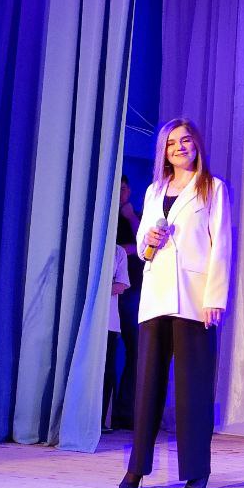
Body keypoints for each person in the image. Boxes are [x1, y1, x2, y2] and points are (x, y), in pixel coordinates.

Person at [119, 118, 232, 488]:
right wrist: (149, 239)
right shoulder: (154, 191)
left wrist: (214, 298)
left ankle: (196, 471)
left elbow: (221, 245)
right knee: (147, 387)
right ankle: (137, 467)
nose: (179, 147)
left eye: (185, 141)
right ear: (164, 153)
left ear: (196, 144)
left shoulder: (212, 188)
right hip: (156, 298)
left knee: (192, 390)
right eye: (171, 144)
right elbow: (144, 250)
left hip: (194, 299)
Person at [113, 175, 143, 429]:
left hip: (135, 290)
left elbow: (145, 247)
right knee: (109, 350)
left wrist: (131, 216)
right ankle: (105, 412)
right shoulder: (106, 216)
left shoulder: (137, 216)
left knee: (137, 350)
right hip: (114, 291)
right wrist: (126, 249)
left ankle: (126, 413)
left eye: (124, 188)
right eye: (118, 189)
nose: (122, 193)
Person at [101, 214, 132, 431]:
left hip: (109, 322)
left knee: (107, 370)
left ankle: (101, 419)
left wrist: (100, 289)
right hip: (88, 321)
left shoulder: (118, 252)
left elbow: (121, 285)